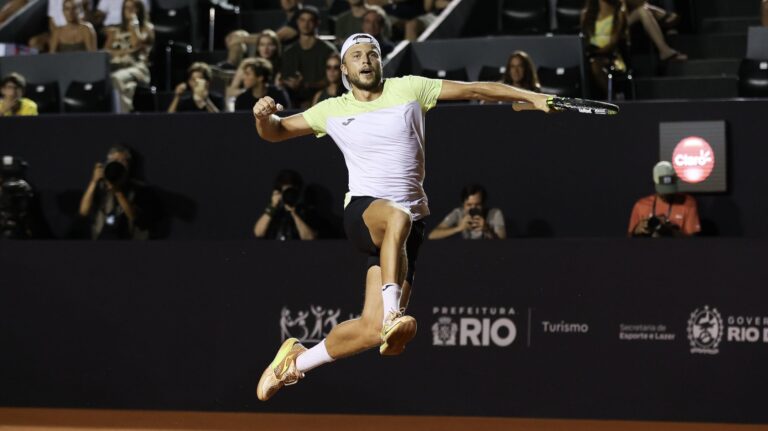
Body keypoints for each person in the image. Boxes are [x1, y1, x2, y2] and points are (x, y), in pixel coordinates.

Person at [252, 32, 551, 401]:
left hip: (410, 227)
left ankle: (295, 363)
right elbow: (275, 132)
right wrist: (262, 118)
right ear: (344, 68)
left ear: (380, 61)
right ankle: (395, 313)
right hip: (365, 212)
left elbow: (479, 88)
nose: (366, 60)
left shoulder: (411, 88)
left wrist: (531, 96)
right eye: (357, 56)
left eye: (372, 54)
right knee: (397, 217)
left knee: (371, 329)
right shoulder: (331, 109)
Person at [78, 145, 155, 239]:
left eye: (122, 161)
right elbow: (83, 212)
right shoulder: (101, 187)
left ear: (129, 165)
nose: (117, 164)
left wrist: (117, 192)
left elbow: (135, 218)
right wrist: (93, 182)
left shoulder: (140, 189)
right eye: (113, 161)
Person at [280, 6, 338, 108]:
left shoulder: (328, 50)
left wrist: (308, 86)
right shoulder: (289, 52)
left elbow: (334, 78)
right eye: (302, 20)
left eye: (310, 20)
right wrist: (290, 84)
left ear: (317, 23)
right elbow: (283, 77)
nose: (305, 24)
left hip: (324, 100)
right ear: (297, 22)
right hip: (294, 101)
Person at [628, 161, 701, 237]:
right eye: (663, 190)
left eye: (670, 189)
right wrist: (636, 230)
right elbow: (629, 242)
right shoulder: (641, 205)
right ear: (655, 183)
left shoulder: (688, 203)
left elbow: (693, 242)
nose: (667, 194)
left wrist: (668, 231)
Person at [106, 0, 154, 113]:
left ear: (140, 10)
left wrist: (134, 25)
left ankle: (123, 116)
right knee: (127, 86)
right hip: (116, 66)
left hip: (137, 68)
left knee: (116, 78)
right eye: (126, 7)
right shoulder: (114, 31)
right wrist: (128, 51)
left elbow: (136, 43)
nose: (129, 10)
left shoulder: (147, 28)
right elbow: (106, 52)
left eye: (133, 7)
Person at [581, 0, 629, 99]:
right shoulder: (586, 14)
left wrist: (596, 52)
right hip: (589, 54)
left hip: (610, 56)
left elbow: (614, 42)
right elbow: (583, 39)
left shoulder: (618, 13)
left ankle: (613, 97)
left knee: (595, 64)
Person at [253, 170, 317, 240]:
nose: (288, 195)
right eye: (285, 192)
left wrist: (294, 213)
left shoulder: (305, 212)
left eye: (291, 192)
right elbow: (258, 233)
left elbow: (310, 238)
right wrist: (273, 205)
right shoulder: (274, 212)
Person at [428, 184, 506, 240]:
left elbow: (503, 243)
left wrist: (487, 229)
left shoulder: (494, 214)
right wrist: (458, 228)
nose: (473, 208)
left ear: (483, 204)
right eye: (469, 205)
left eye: (477, 205)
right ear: (463, 204)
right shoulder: (458, 213)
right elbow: (432, 235)